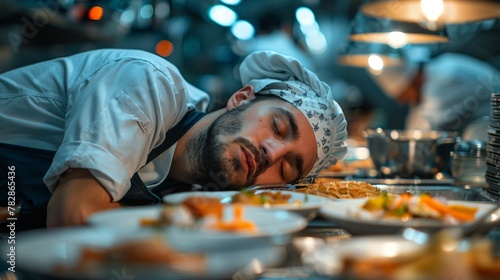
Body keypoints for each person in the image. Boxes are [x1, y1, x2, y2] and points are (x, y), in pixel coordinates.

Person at [0, 49, 347, 230]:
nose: (272, 153)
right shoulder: (148, 83)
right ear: (241, 98)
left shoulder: (200, 190)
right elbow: (73, 217)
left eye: (288, 168)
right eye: (277, 127)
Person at [372, 52, 498, 138]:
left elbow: (426, 128)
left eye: (402, 95)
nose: (401, 102)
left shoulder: (446, 76)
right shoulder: (428, 83)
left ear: (413, 79)